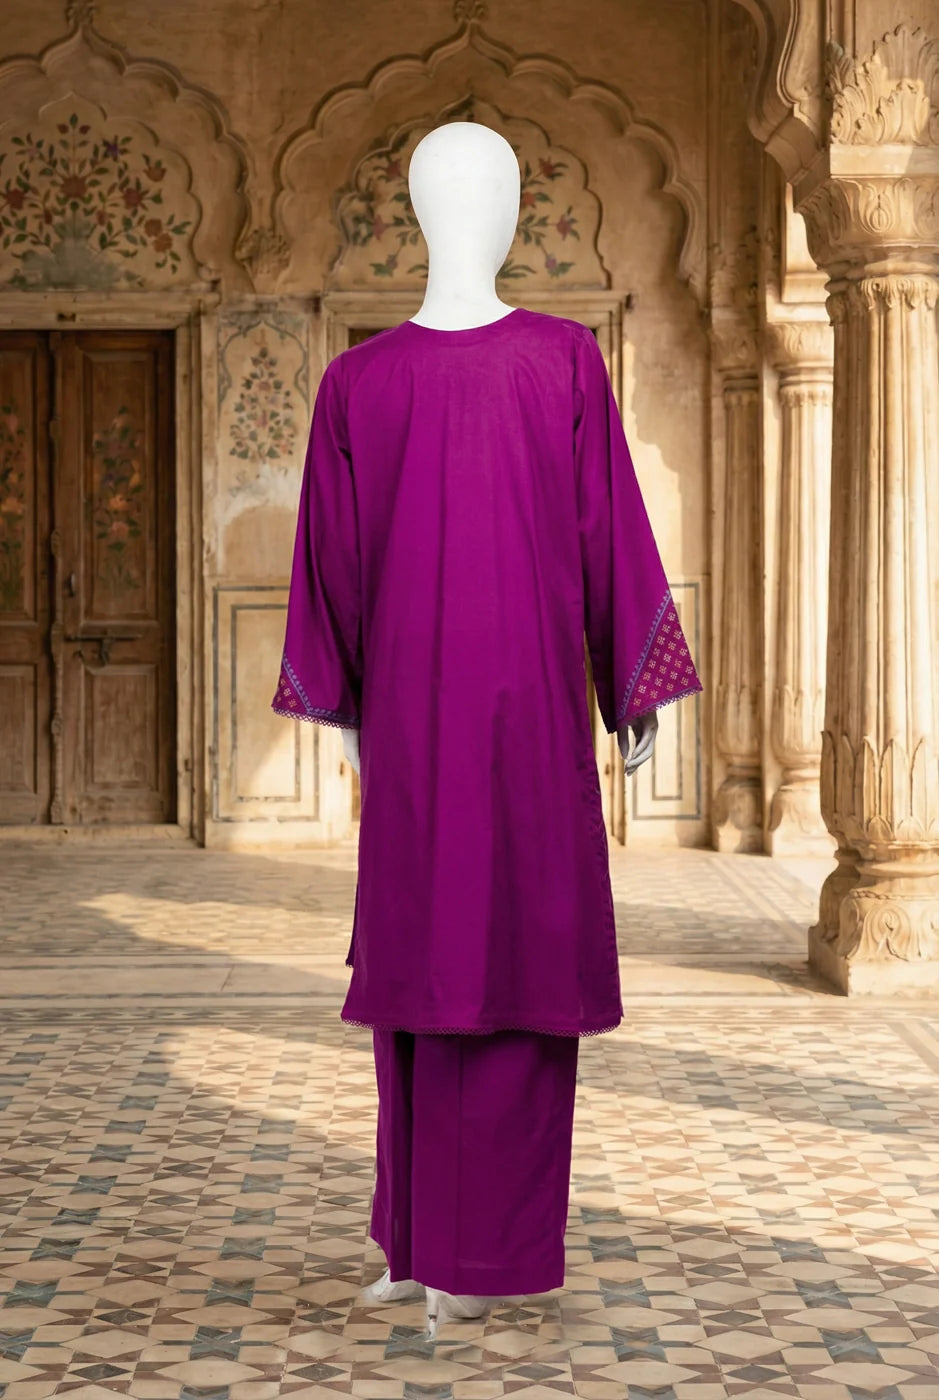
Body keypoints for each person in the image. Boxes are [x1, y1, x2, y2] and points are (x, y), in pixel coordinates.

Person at [271, 120, 703, 1337]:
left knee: (489, 971)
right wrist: (637, 696)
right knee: (452, 972)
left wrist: (346, 710)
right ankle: (426, 1245)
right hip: (497, 733)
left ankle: (462, 1252)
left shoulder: (477, 369)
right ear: (488, 216)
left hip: (453, 730)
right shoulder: (444, 373)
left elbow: (335, 569)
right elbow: (603, 538)